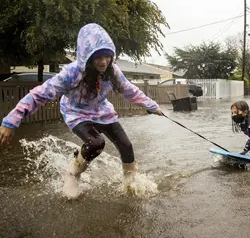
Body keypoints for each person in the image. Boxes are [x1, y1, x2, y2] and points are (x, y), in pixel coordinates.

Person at [0, 23, 163, 197]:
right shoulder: (72, 73)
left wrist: (152, 106)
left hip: (102, 111)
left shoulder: (112, 71)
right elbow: (39, 94)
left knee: (126, 145)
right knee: (96, 143)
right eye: (97, 57)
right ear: (87, 56)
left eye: (107, 56)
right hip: (76, 112)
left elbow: (130, 91)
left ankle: (130, 183)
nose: (103, 62)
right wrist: (11, 121)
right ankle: (73, 173)